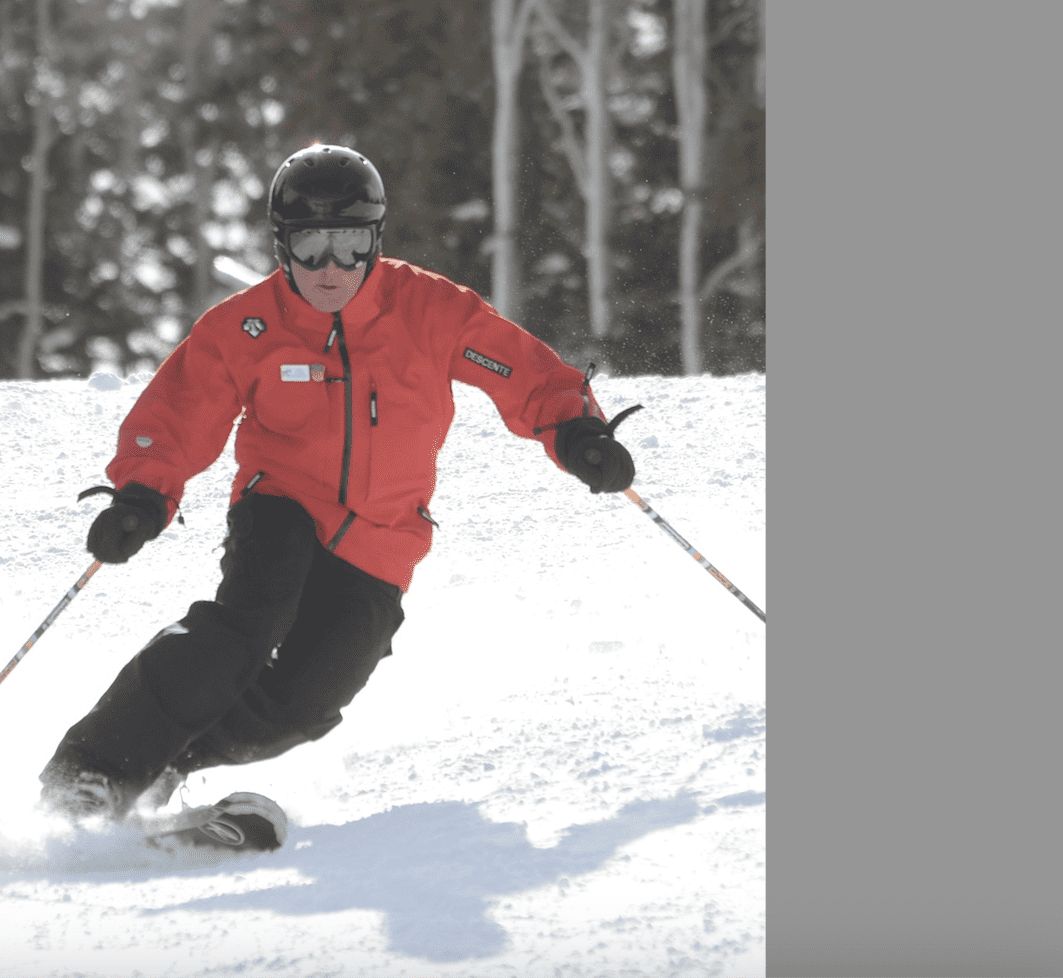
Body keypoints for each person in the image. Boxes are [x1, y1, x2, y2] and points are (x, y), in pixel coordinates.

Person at [39, 144, 636, 838]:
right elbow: (181, 413)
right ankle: (96, 772)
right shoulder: (249, 325)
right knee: (244, 628)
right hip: (282, 505)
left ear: (374, 242)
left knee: (308, 702)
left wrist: (576, 432)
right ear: (282, 245)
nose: (329, 267)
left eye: (349, 245)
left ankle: (170, 764)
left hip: (384, 539)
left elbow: (526, 376)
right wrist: (141, 495)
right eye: (310, 244)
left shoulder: (430, 310)